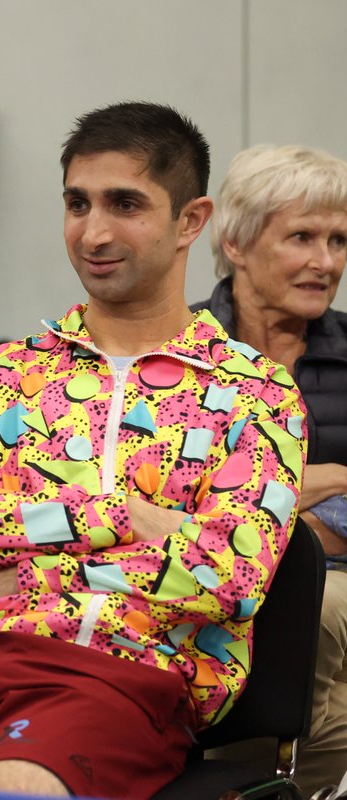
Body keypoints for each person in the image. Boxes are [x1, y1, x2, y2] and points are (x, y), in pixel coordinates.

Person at [0, 102, 308, 799]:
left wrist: (10, 579)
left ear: (191, 221)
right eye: (77, 203)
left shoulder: (257, 395)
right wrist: (128, 519)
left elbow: (227, 578)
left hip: (128, 670)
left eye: (125, 203)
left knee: (11, 786)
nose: (94, 232)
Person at [193, 143, 347, 796]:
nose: (327, 262)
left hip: (322, 586)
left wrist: (253, 512)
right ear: (237, 243)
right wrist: (332, 476)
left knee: (314, 605)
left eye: (339, 240)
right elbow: (165, 501)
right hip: (198, 577)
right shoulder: (181, 354)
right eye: (303, 237)